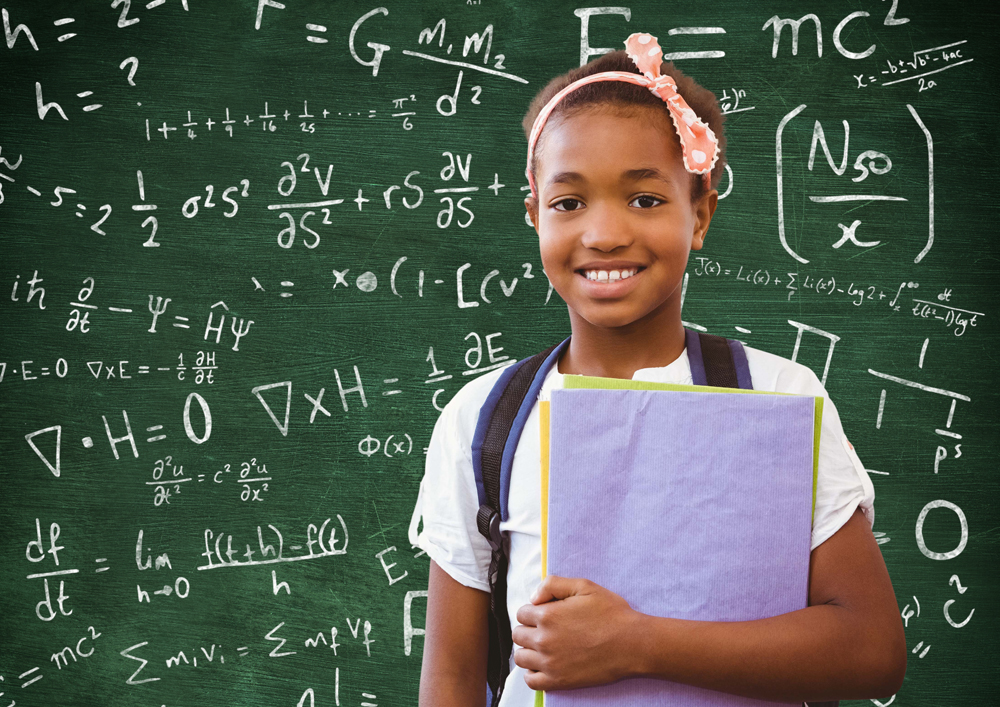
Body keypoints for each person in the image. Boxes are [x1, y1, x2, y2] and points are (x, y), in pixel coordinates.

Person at [408, 31, 906, 707]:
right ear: (534, 215)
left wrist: (635, 643)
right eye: (568, 202)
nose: (605, 234)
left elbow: (872, 651)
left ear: (700, 213)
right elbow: (451, 681)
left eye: (645, 199)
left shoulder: (779, 398)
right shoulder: (484, 419)